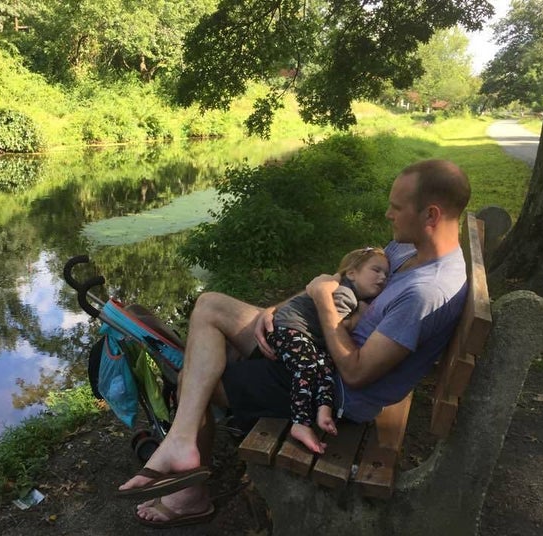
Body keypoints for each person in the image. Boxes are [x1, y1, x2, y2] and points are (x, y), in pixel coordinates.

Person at [117, 159, 471, 529]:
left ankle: (187, 488)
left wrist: (319, 302)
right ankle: (182, 444)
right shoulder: (407, 252)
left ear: (430, 214)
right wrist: (281, 308)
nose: (387, 214)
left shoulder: (426, 291)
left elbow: (356, 374)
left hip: (332, 391)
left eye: (396, 208)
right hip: (319, 345)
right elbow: (342, 280)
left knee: (196, 376)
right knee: (209, 306)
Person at [267, 247, 389, 454]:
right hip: (289, 328)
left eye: (386, 274)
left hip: (307, 336)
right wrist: (359, 318)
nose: (382, 277)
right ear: (352, 273)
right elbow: (334, 327)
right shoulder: (346, 294)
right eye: (376, 270)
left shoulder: (352, 294)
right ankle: (300, 423)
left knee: (326, 366)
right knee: (307, 365)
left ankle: (324, 413)